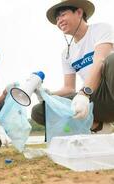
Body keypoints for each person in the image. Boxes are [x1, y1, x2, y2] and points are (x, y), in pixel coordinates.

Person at [31, 0, 114, 134]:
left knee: (112, 60)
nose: (59, 21)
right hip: (93, 99)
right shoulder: (66, 54)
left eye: (63, 15)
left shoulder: (101, 29)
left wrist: (84, 93)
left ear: (79, 12)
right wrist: (48, 95)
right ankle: (98, 127)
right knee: (40, 110)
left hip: (109, 91)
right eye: (57, 19)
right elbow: (69, 88)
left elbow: (100, 60)